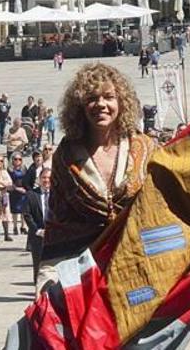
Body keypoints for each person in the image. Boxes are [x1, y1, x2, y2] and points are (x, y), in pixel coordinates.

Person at [42, 63, 157, 274]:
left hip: (138, 265)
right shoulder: (66, 155)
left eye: (108, 97)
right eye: (91, 98)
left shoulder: (143, 147)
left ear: (122, 102)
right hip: (84, 269)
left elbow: (160, 207)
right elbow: (59, 220)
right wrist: (48, 276)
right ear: (80, 107)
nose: (100, 104)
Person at [24, 167, 51, 287]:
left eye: (49, 178)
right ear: (39, 179)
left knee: (52, 264)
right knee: (38, 264)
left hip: (53, 234)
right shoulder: (31, 195)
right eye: (44, 177)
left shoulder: (57, 195)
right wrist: (37, 230)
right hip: (37, 235)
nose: (46, 180)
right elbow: (27, 215)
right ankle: (38, 290)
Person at [0, 160, 14, 241]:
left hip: (4, 194)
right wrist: (1, 183)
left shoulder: (5, 172)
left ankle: (6, 234)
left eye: (1, 161)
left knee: (5, 215)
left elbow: (9, 183)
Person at [8, 154, 28, 236]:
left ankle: (23, 226)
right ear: (12, 160)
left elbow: (27, 179)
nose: (17, 161)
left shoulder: (24, 168)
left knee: (24, 210)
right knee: (15, 210)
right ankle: (15, 227)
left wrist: (25, 188)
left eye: (19, 159)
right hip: (14, 191)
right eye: (15, 159)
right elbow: (9, 181)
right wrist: (16, 188)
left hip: (23, 190)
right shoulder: (10, 169)